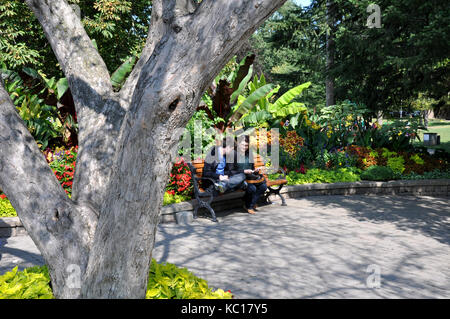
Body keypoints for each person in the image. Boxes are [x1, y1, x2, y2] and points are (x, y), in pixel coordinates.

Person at [234, 135, 267, 215]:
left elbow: (252, 167)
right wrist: (244, 171)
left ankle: (248, 203)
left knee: (263, 186)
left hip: (250, 178)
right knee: (251, 188)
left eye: (246, 145)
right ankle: (250, 206)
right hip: (238, 178)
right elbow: (231, 171)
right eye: (242, 145)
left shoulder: (249, 154)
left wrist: (255, 171)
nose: (244, 147)